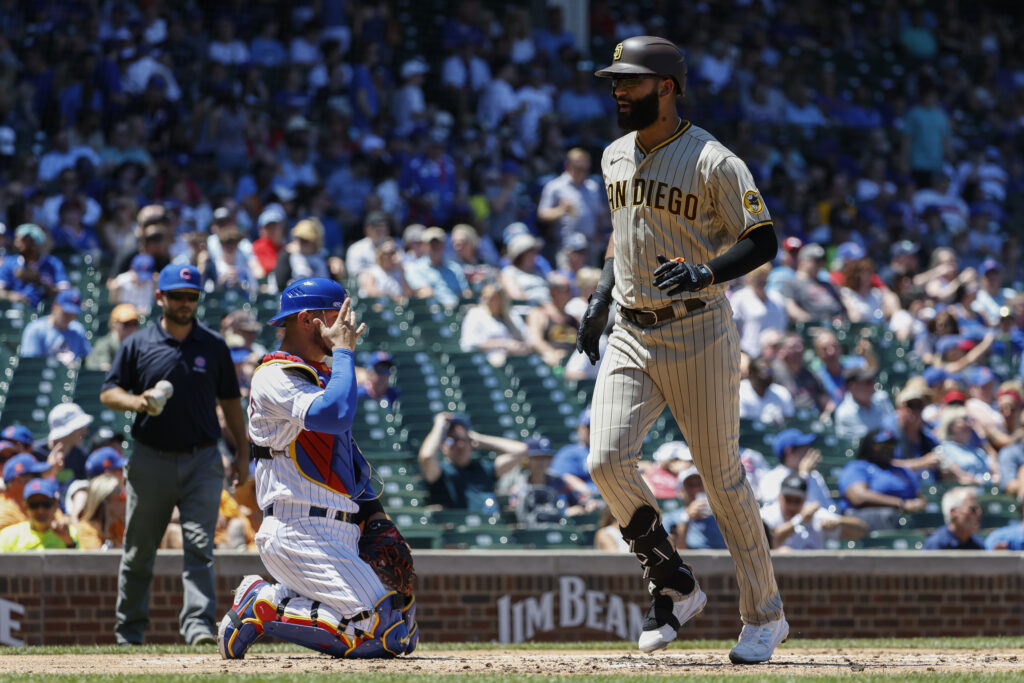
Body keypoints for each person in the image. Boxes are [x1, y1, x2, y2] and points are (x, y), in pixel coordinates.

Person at [580, 36, 787, 661]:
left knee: (721, 479)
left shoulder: (713, 160)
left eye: (632, 81)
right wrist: (599, 294)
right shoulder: (615, 155)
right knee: (605, 461)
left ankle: (765, 615)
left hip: (698, 327)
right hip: (631, 327)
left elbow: (763, 239)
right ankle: (672, 579)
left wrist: (707, 273)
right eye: (616, 80)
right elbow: (624, 238)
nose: (619, 90)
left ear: (666, 87)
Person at [218, 277, 417, 659]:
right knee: (375, 632)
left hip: (336, 529)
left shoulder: (322, 374)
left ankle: (287, 598)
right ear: (309, 319)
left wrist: (376, 517)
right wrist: (344, 353)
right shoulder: (273, 375)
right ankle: (259, 604)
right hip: (298, 528)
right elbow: (335, 414)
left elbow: (344, 458)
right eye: (337, 314)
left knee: (402, 630)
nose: (347, 324)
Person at [100, 264, 248, 646]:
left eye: (192, 296)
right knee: (138, 550)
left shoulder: (213, 345)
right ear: (161, 297)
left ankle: (198, 627)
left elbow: (232, 403)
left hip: (202, 459)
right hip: (151, 459)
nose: (186, 303)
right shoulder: (138, 343)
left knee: (200, 546)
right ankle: (129, 632)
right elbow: (108, 392)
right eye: (178, 296)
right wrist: (137, 401)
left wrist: (243, 453)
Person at [418, 412, 528, 511]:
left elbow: (522, 450)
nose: (460, 445)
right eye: (454, 440)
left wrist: (479, 438)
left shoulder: (484, 468)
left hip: (485, 527)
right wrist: (439, 426)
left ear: (471, 443)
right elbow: (427, 456)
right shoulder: (441, 472)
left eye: (464, 440)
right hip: (453, 530)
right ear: (444, 447)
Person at [837, 428, 926, 531]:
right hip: (868, 518)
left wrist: (919, 504)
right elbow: (858, 497)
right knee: (888, 515)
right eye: (883, 445)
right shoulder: (857, 467)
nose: (888, 449)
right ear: (870, 446)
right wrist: (900, 504)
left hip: (904, 517)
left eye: (891, 445)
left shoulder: (902, 470)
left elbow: (920, 496)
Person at [761, 474, 867, 551]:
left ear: (805, 499)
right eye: (788, 500)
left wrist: (840, 523)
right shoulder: (768, 515)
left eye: (797, 501)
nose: (792, 506)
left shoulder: (815, 515)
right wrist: (799, 520)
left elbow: (862, 530)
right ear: (779, 498)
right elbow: (770, 542)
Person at [0, 223, 70, 307]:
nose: (16, 244)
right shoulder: (9, 262)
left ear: (33, 243)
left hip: (47, 312)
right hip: (19, 312)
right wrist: (11, 295)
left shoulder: (53, 263)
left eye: (21, 241)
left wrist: (38, 282)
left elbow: (65, 293)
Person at [757, 429, 831, 507]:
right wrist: (803, 475)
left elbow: (828, 506)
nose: (808, 451)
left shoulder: (815, 475)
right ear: (789, 451)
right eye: (803, 447)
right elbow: (779, 509)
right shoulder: (771, 478)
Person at [661, 465, 727, 551]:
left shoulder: (722, 518)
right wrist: (686, 517)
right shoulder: (669, 519)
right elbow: (679, 550)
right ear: (681, 491)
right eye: (690, 486)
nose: (696, 490)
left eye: (700, 485)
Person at [730, 262, 787, 359]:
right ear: (750, 279)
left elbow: (783, 325)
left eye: (764, 281)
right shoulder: (739, 297)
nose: (762, 284)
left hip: (776, 356)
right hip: (750, 354)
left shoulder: (777, 298)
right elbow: (732, 328)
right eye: (758, 281)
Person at [0, 478, 77, 550]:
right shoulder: (9, 536)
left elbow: (81, 562)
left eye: (46, 504)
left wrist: (69, 542)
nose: (40, 511)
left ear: (55, 504)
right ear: (25, 506)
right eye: (34, 505)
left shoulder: (70, 533)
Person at [20, 288, 91, 365]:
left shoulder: (78, 329)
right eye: (66, 312)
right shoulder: (35, 329)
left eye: (73, 314)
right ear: (55, 307)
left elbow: (88, 360)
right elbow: (30, 365)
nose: (69, 317)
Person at [405, 227, 472, 307]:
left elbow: (465, 292)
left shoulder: (455, 268)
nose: (435, 247)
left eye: (438, 243)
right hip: (433, 311)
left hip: (458, 309)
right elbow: (424, 292)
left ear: (444, 245)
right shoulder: (415, 268)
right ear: (424, 246)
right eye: (431, 244)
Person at [833, 366, 897, 441]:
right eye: (868, 382)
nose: (873, 384)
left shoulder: (882, 398)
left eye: (873, 380)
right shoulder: (844, 414)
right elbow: (855, 447)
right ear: (852, 386)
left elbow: (894, 427)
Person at [0, 453, 51, 532]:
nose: (42, 479)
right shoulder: (4, 513)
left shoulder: (44, 500)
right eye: (37, 475)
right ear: (19, 480)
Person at [76, 473, 127, 550]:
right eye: (121, 497)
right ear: (106, 501)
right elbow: (99, 559)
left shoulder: (118, 526)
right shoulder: (86, 528)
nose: (125, 501)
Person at [550, 408, 597, 494]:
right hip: (583, 499)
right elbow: (564, 477)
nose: (593, 430)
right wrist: (591, 493)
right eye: (589, 427)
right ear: (579, 428)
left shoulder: (612, 453)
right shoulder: (568, 452)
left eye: (596, 426)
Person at [738, 357, 795, 426]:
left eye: (771, 371)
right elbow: (741, 424)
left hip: (776, 434)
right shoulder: (739, 392)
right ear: (751, 373)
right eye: (765, 371)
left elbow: (789, 420)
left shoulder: (781, 392)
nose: (769, 375)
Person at [86, 303, 141, 372]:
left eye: (134, 324)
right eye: (126, 324)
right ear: (114, 325)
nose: (131, 328)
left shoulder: (137, 346)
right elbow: (105, 369)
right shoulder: (104, 344)